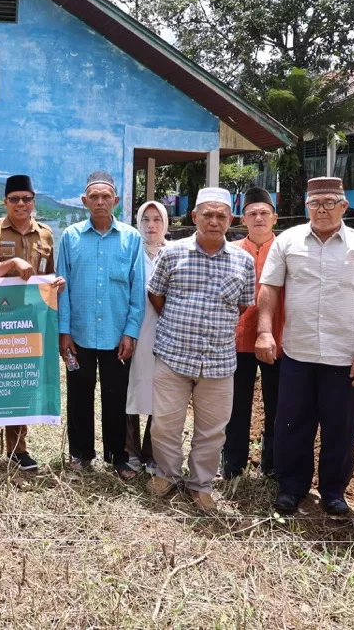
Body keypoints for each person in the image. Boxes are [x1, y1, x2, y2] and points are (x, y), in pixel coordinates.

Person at [257, 177, 354, 516]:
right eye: (315, 203)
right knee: (291, 424)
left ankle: (333, 491)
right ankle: (291, 487)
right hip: (297, 353)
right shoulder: (287, 241)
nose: (322, 209)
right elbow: (269, 289)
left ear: (344, 206)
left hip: (346, 357)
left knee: (341, 429)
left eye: (330, 202)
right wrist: (265, 332)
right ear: (306, 207)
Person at [146, 187, 255, 511]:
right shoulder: (172, 253)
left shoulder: (243, 261)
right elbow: (156, 294)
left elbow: (242, 305)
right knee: (165, 422)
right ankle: (166, 474)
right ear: (194, 217)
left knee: (212, 430)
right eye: (207, 214)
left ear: (230, 220)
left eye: (221, 215)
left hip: (219, 362)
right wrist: (181, 324)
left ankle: (200, 484)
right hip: (173, 355)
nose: (214, 221)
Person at [0, 174, 65, 470]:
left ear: (33, 201)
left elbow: (46, 277)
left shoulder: (46, 235)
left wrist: (55, 284)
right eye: (14, 199)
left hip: (28, 323)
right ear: (5, 202)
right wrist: (11, 264)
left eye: (26, 198)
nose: (21, 204)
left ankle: (18, 449)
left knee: (19, 382)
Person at [57, 171, 146, 481]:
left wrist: (131, 331)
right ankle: (80, 456)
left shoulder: (131, 238)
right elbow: (63, 288)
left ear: (116, 201)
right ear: (84, 201)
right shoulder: (70, 237)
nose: (99, 202)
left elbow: (137, 290)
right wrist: (64, 331)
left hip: (117, 335)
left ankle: (119, 458)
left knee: (116, 396)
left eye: (105, 196)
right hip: (79, 334)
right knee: (79, 395)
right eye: (93, 197)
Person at [221, 187, 284, 480]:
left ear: (274, 218)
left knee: (277, 406)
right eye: (252, 214)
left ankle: (272, 466)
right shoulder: (230, 250)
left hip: (278, 340)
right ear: (242, 220)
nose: (258, 218)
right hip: (236, 340)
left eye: (264, 213)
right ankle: (233, 467)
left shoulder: (288, 250)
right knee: (235, 407)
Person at [124, 199, 168, 472]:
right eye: (145, 220)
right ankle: (130, 452)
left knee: (162, 393)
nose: (151, 226)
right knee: (130, 389)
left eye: (157, 220)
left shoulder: (176, 253)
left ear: (165, 224)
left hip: (165, 334)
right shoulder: (130, 251)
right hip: (133, 331)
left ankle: (153, 453)